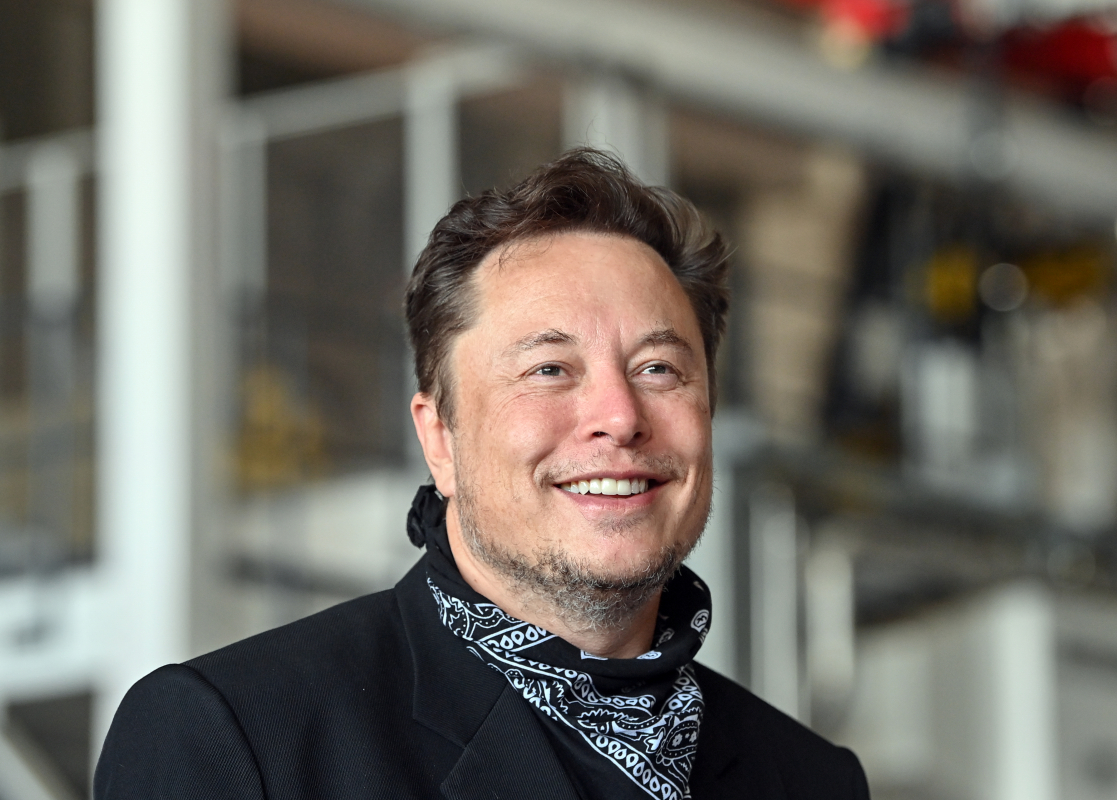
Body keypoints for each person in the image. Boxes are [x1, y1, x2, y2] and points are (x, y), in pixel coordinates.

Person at [94, 148, 870, 799]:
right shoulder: (235, 739)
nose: (619, 416)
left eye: (659, 368)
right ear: (441, 438)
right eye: (549, 368)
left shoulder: (812, 780)